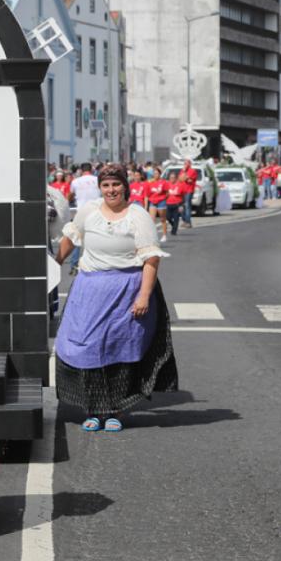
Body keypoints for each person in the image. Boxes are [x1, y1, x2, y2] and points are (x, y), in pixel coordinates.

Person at [53, 163, 178, 433]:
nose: (111, 190)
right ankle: (92, 408)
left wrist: (144, 296)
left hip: (126, 289)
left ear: (125, 186)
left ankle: (115, 410)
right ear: (100, 188)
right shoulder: (88, 211)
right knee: (85, 347)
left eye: (116, 184)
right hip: (89, 289)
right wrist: (55, 263)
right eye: (106, 185)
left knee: (117, 349)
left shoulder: (138, 215)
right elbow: (71, 238)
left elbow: (151, 259)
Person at [146, 169, 169, 243]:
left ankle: (164, 235)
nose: (155, 175)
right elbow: (148, 193)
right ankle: (152, 236)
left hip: (161, 201)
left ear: (160, 174)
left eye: (157, 173)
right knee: (151, 220)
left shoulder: (163, 182)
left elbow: (167, 192)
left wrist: (163, 199)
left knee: (162, 219)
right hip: (153, 201)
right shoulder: (150, 182)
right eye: (154, 173)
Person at [165, 171, 187, 236]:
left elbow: (183, 195)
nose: (172, 179)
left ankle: (174, 231)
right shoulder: (167, 184)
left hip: (177, 204)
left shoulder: (180, 184)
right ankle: (173, 225)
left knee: (176, 218)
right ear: (169, 178)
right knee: (168, 217)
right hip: (169, 203)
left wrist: (182, 205)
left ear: (176, 178)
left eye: (173, 178)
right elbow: (164, 194)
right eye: (171, 178)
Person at [180, 159, 198, 228]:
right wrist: (185, 177)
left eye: (186, 163)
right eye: (184, 163)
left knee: (187, 206)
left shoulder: (192, 171)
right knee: (182, 207)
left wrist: (185, 177)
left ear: (190, 164)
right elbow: (180, 179)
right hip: (182, 191)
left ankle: (188, 222)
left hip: (189, 191)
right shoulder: (182, 171)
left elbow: (189, 180)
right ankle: (184, 221)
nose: (185, 165)